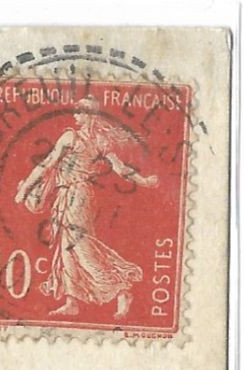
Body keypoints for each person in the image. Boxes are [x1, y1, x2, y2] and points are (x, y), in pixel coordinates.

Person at [13, 97, 160, 320]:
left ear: (89, 114)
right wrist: (144, 180)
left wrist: (24, 190)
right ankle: (72, 301)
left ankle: (121, 290)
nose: (75, 116)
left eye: (79, 113)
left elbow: (47, 164)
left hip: (77, 195)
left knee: (80, 247)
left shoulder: (74, 137)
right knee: (66, 249)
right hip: (71, 194)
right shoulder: (95, 139)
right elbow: (120, 170)